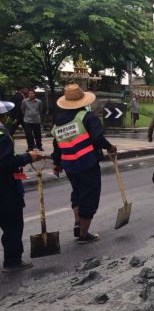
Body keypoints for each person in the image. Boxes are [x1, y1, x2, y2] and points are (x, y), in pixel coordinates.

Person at [51, 84, 117, 244]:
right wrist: (110, 147)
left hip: (69, 165)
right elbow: (97, 138)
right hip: (87, 163)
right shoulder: (88, 117)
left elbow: (56, 143)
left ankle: (78, 222)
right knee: (89, 196)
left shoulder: (59, 121)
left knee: (78, 193)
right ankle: (83, 234)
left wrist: (56, 162)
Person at [0, 100, 43, 272]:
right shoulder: (2, 136)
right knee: (12, 225)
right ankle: (13, 261)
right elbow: (5, 163)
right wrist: (27, 157)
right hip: (5, 188)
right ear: (3, 116)